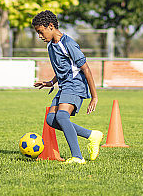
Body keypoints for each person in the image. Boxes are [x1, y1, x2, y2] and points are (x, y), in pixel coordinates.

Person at [31, 10, 103, 164]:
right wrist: (51, 82)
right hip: (64, 86)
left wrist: (94, 97)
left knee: (62, 117)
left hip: (75, 85)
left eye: (40, 32)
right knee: (51, 119)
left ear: (50, 26)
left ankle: (77, 157)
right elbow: (64, 69)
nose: (40, 36)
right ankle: (91, 135)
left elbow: (86, 69)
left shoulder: (68, 44)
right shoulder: (51, 46)